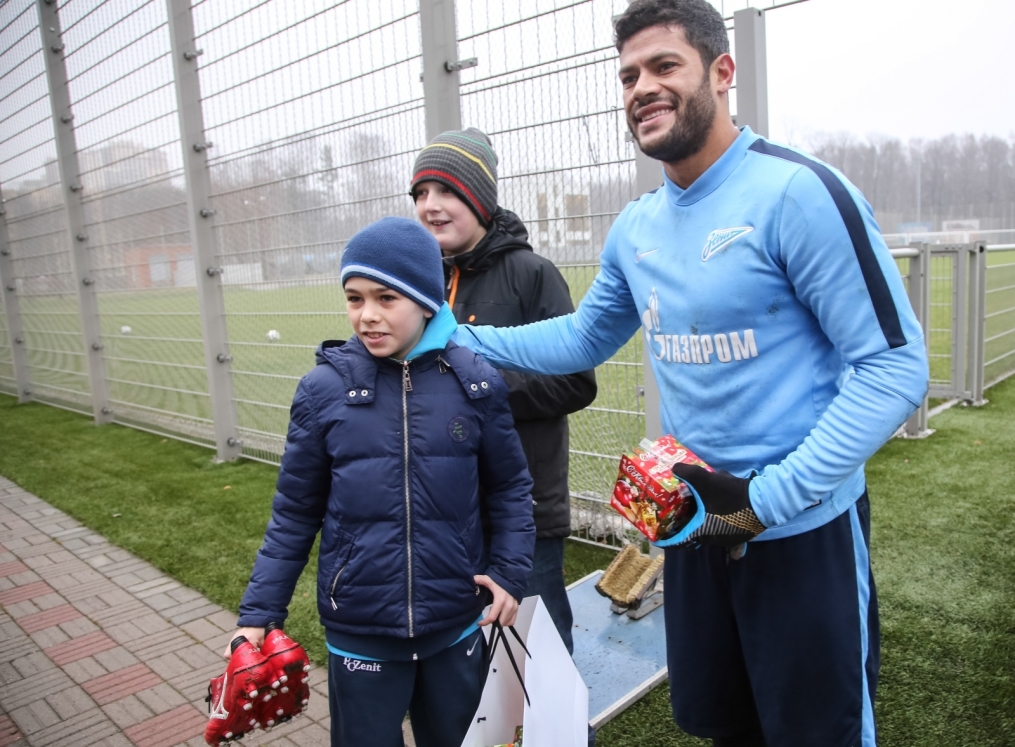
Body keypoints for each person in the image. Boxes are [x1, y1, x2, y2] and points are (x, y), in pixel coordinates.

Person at [453, 1, 930, 746]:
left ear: (721, 71)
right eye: (628, 76)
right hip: (693, 531)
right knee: (726, 727)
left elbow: (895, 366)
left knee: (817, 733)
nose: (641, 86)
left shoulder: (797, 193)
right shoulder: (637, 225)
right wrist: (458, 337)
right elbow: (583, 337)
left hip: (801, 534)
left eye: (663, 66)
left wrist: (763, 501)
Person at [230, 217, 535, 747]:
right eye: (354, 298)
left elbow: (509, 489)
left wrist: (509, 573)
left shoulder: (476, 381)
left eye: (386, 297)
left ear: (427, 301)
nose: (367, 316)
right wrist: (259, 615)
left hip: (456, 622)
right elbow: (295, 512)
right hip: (360, 631)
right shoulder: (322, 390)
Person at [410, 128, 597, 654]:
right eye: (421, 193)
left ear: (480, 198)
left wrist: (474, 391)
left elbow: (576, 380)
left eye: (446, 191)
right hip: (447, 509)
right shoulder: (421, 282)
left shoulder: (532, 275)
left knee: (538, 657)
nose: (431, 205)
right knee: (466, 656)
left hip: (524, 511)